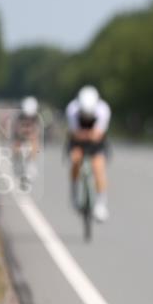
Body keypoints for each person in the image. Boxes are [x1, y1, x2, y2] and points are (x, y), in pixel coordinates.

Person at [66, 85, 111, 221]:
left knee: (99, 167)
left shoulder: (103, 109)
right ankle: (74, 193)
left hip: (96, 143)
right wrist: (86, 135)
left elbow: (98, 134)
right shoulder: (72, 109)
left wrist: (87, 135)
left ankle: (101, 204)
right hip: (78, 141)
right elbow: (74, 134)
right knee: (75, 160)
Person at [12, 96, 41, 187]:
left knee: (34, 143)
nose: (28, 119)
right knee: (16, 147)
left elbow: (37, 132)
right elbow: (15, 132)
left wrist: (32, 135)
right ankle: (17, 164)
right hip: (20, 137)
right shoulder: (18, 117)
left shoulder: (37, 117)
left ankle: (31, 164)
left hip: (31, 136)